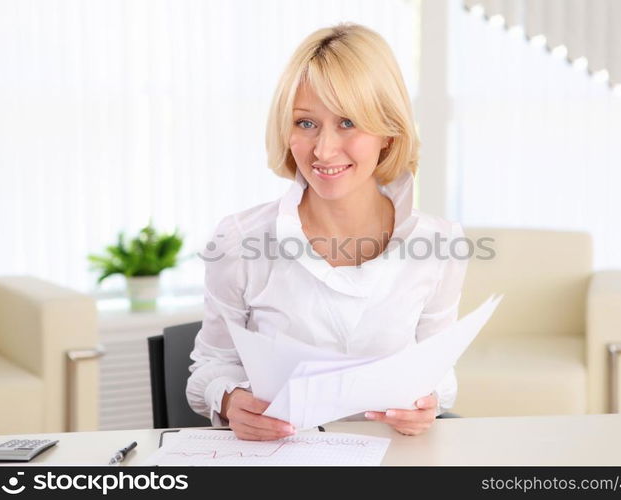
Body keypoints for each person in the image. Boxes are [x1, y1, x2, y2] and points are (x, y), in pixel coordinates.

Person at [186, 23, 467, 441]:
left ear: (388, 133)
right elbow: (210, 366)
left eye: (348, 123)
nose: (323, 150)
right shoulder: (240, 240)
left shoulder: (440, 245)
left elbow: (439, 371)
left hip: (392, 460)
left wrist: (428, 403)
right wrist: (228, 399)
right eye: (305, 123)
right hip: (280, 459)